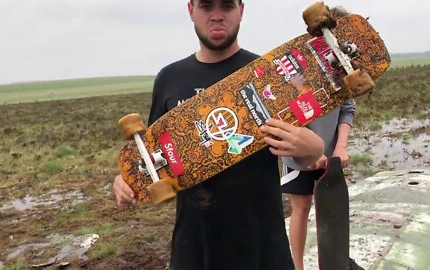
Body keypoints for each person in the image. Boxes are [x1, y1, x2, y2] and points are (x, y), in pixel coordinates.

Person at [113, 1, 325, 269]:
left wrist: (313, 148)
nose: (216, 16)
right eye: (206, 6)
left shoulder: (266, 74)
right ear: (191, 10)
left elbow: (309, 153)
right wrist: (127, 180)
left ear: (241, 10)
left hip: (262, 247)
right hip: (195, 249)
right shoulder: (169, 79)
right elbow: (153, 157)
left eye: (226, 6)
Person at [281, 6, 355, 270]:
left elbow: (347, 108)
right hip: (299, 155)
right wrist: (311, 149)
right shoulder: (296, 66)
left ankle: (334, 263)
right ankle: (297, 267)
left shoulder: (345, 67)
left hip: (332, 155)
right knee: (300, 209)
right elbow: (288, 112)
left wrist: (341, 148)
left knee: (331, 209)